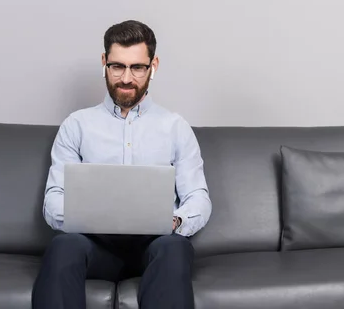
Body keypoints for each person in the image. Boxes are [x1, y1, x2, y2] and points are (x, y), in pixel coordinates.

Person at [32, 20, 212, 309]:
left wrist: (176, 221)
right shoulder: (77, 125)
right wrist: (84, 217)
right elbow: (53, 200)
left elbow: (198, 198)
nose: (126, 78)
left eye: (137, 67)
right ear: (104, 62)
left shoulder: (175, 127)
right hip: (94, 247)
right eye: (117, 66)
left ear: (153, 66)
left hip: (155, 248)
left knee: (174, 247)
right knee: (64, 246)